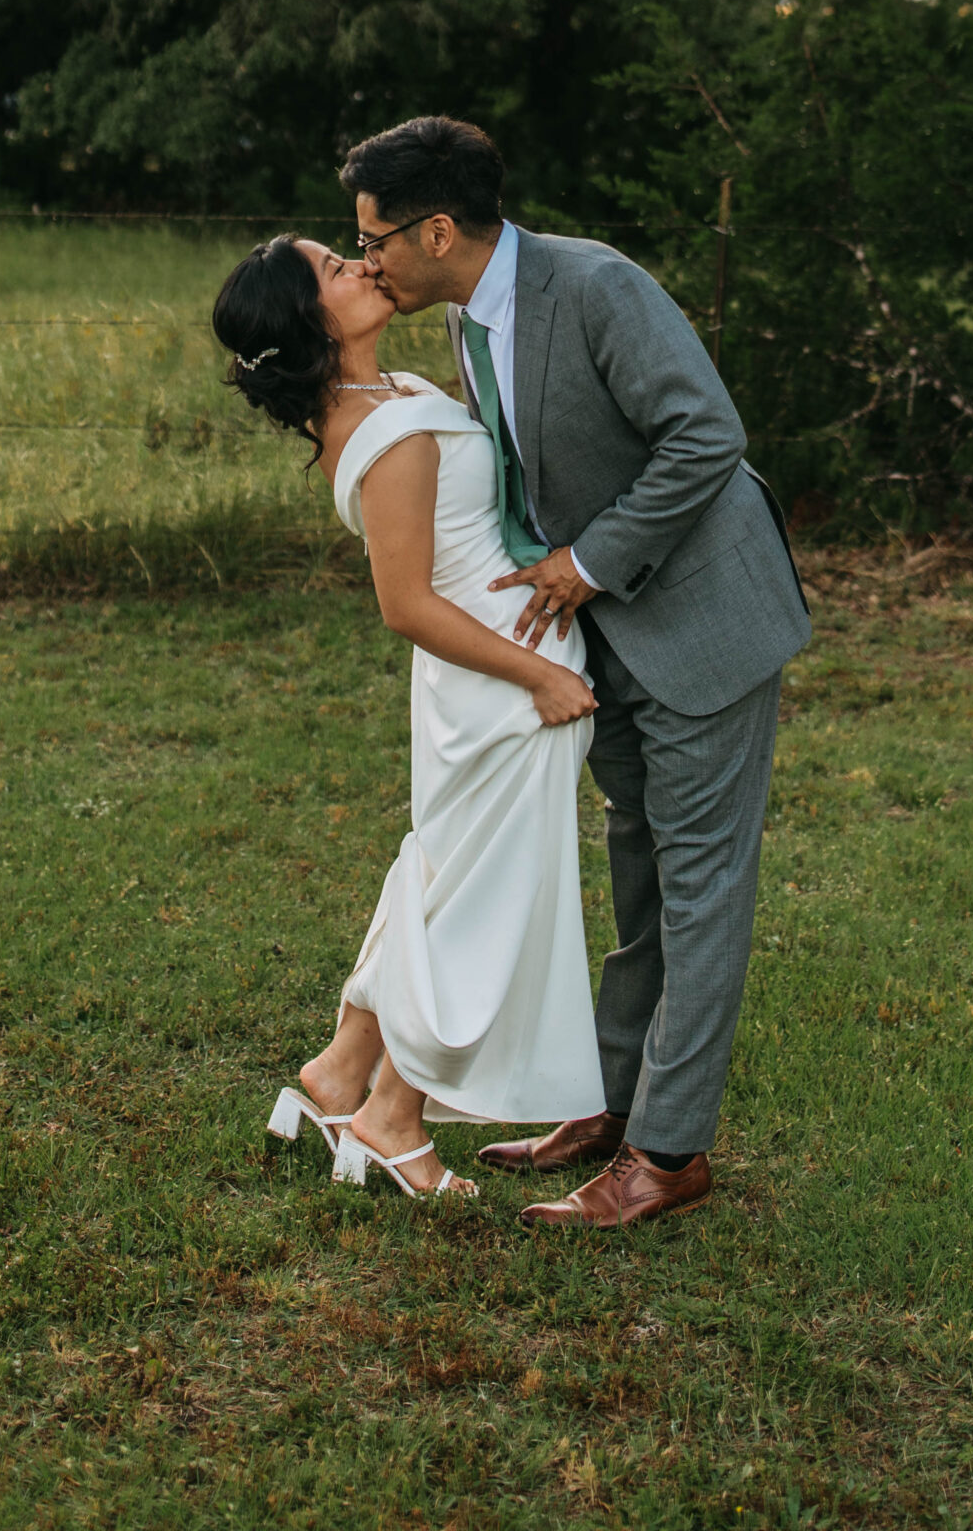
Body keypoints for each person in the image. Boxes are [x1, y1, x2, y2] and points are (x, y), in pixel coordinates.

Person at [341, 115, 812, 1231]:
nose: (364, 260)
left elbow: (705, 435)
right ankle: (606, 1104)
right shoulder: (468, 319)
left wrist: (585, 565)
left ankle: (667, 1153)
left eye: (374, 239)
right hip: (613, 645)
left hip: (703, 625)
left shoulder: (595, 287)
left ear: (438, 228)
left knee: (701, 893)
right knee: (639, 876)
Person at [212, 232, 603, 1202]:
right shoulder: (376, 433)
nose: (356, 264)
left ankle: (341, 1073)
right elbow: (408, 606)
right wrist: (538, 677)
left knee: (445, 882)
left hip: (494, 690)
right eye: (331, 269)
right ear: (311, 319)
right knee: (478, 906)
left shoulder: (392, 393)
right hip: (498, 694)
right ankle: (393, 1117)